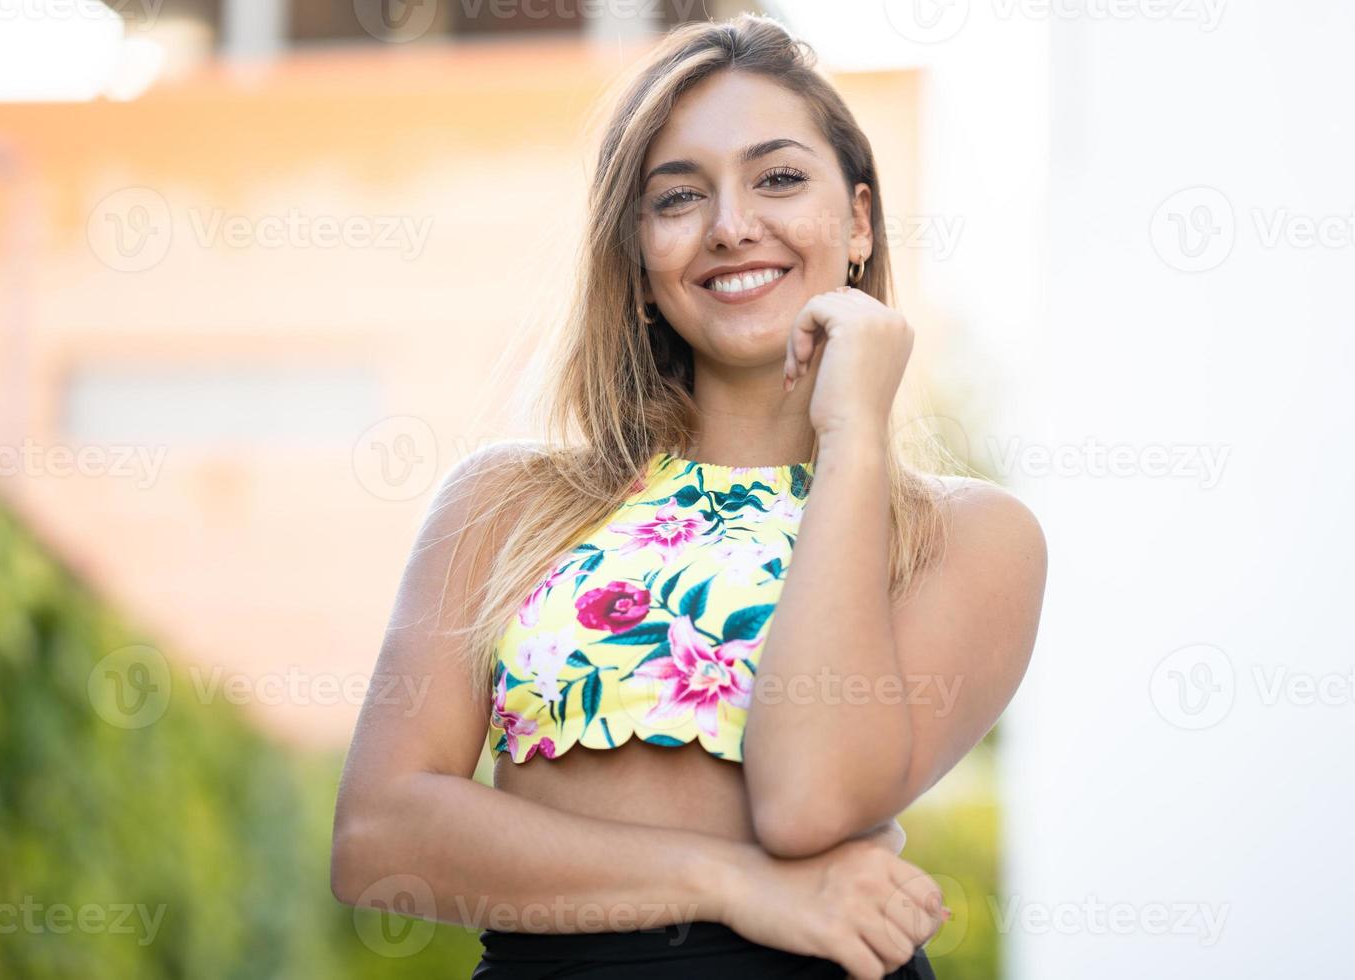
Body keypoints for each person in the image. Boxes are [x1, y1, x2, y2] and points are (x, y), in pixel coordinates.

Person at [330, 13, 1046, 980]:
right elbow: (381, 837)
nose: (732, 224)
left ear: (861, 222)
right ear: (635, 257)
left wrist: (852, 437)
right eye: (678, 197)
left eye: (780, 177)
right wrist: (736, 884)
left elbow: (810, 801)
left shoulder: (961, 535)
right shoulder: (507, 504)